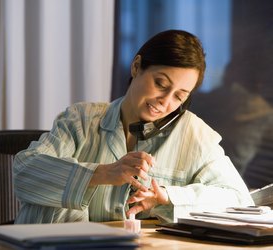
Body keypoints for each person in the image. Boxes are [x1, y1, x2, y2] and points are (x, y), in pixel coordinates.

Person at [13, 29, 254, 224]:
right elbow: (25, 172)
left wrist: (168, 198)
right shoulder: (81, 119)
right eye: (160, 83)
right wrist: (103, 173)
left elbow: (239, 199)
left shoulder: (194, 134)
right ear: (136, 67)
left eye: (179, 96)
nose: (166, 101)